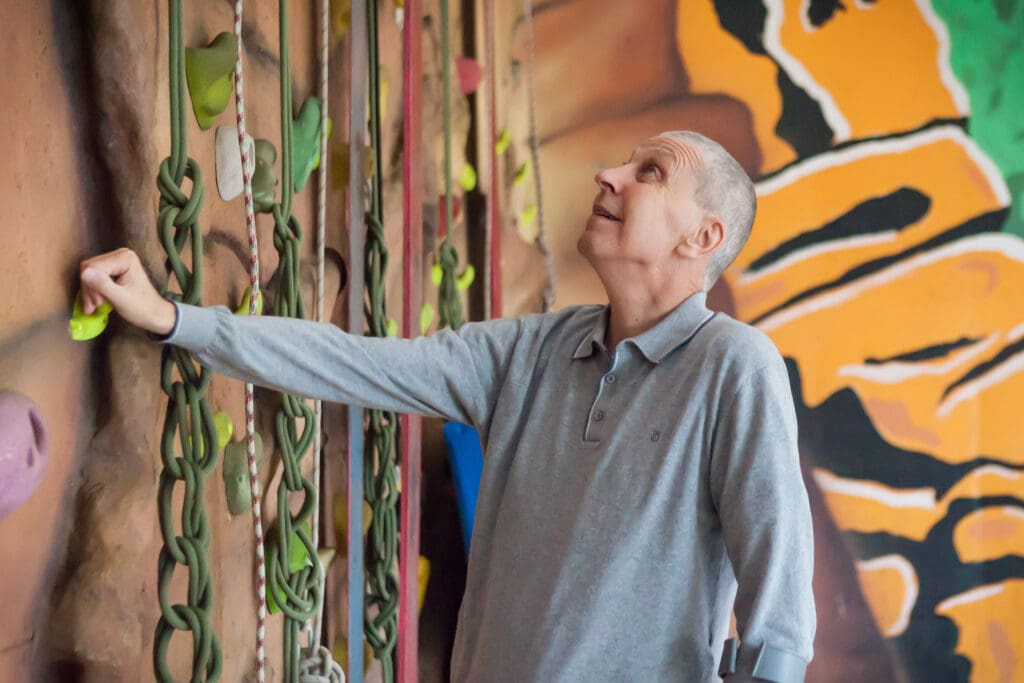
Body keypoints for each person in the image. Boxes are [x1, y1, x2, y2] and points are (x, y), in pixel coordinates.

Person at [79, 131, 815, 682]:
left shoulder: (735, 366)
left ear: (704, 237)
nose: (609, 174)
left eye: (649, 172)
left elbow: (779, 615)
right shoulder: (534, 349)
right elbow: (354, 362)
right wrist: (177, 319)